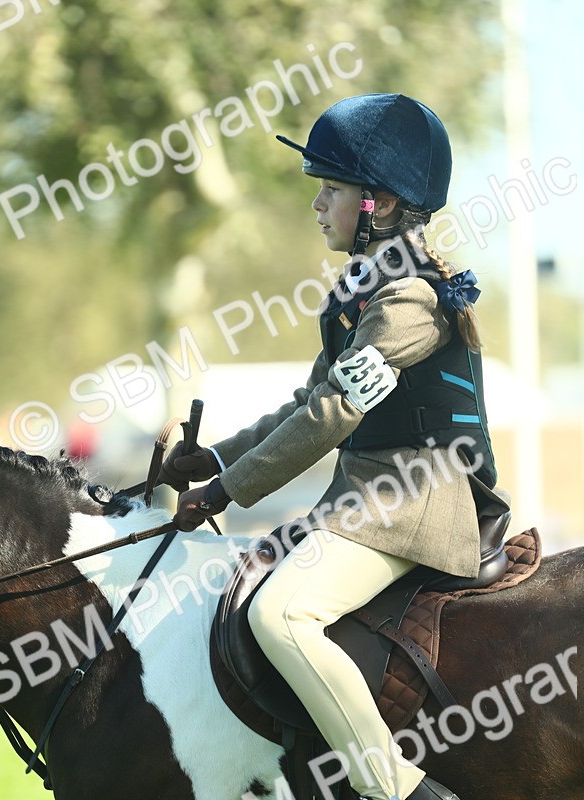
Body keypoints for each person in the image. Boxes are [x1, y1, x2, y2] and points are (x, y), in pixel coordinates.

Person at [159, 94, 508, 800]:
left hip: (418, 503)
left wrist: (227, 493)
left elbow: (335, 412)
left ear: (375, 204)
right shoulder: (365, 289)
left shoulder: (407, 298)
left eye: (331, 190)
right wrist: (219, 458)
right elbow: (307, 401)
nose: (318, 204)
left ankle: (399, 790)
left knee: (280, 612)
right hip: (369, 502)